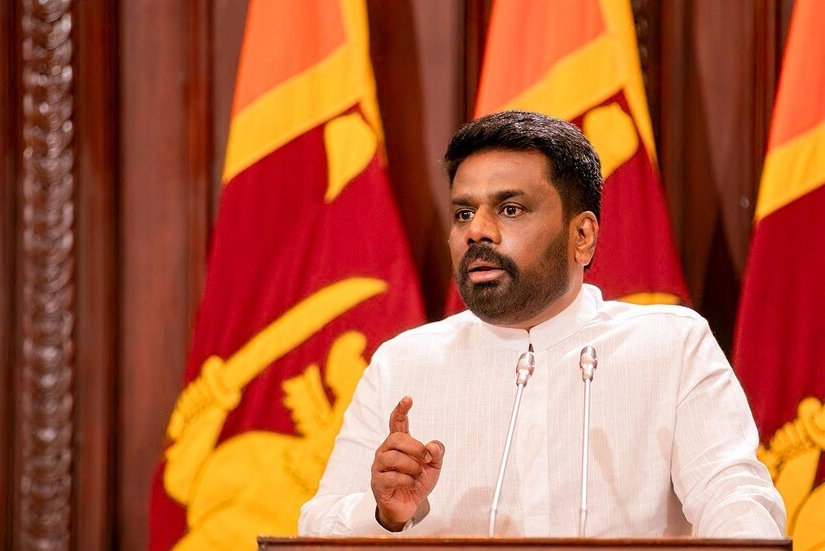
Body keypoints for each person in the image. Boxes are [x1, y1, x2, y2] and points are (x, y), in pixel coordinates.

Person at [298, 110, 786, 538]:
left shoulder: (671, 346)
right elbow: (317, 527)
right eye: (463, 213)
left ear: (582, 235)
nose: (477, 231)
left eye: (510, 209)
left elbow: (734, 501)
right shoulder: (403, 363)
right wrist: (383, 515)